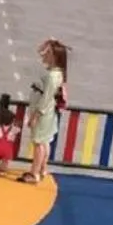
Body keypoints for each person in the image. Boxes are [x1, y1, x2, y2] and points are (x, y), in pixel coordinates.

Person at [20, 38, 70, 185]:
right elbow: (40, 52)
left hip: (43, 113)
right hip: (49, 112)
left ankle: (34, 173)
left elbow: (46, 98)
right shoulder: (58, 73)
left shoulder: (52, 76)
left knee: (38, 143)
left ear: (54, 57)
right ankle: (42, 169)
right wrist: (49, 43)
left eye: (48, 53)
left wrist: (35, 116)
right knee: (45, 141)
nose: (44, 55)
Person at [0, 103, 22, 176]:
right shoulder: (13, 128)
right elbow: (19, 129)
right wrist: (17, 124)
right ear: (12, 121)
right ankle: (2, 171)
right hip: (8, 148)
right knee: (5, 161)